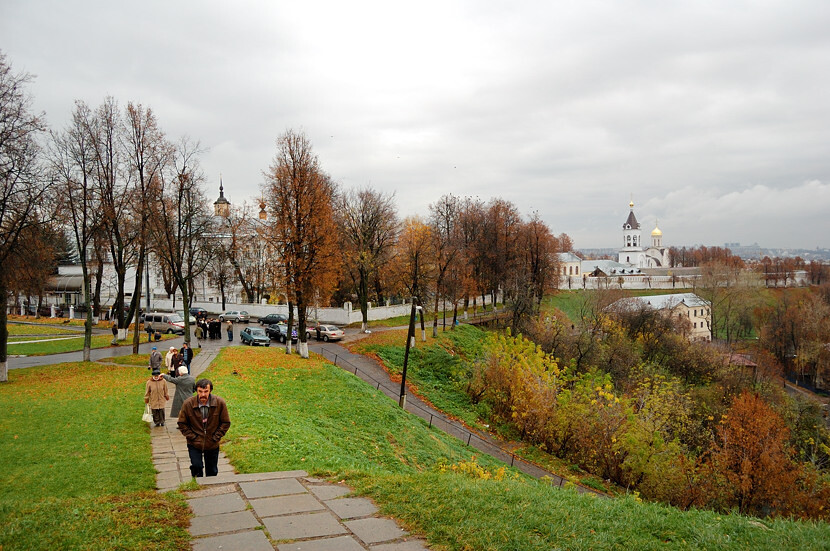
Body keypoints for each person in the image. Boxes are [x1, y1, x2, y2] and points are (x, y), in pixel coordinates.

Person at [178, 379, 231, 478]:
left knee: (212, 471)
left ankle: (211, 490)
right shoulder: (188, 404)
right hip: (194, 443)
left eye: (206, 391)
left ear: (210, 390)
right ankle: (198, 487)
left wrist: (216, 437)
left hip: (212, 443)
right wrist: (193, 437)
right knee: (197, 467)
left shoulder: (219, 403)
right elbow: (182, 423)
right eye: (200, 391)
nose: (203, 394)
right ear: (196, 391)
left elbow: (225, 422)